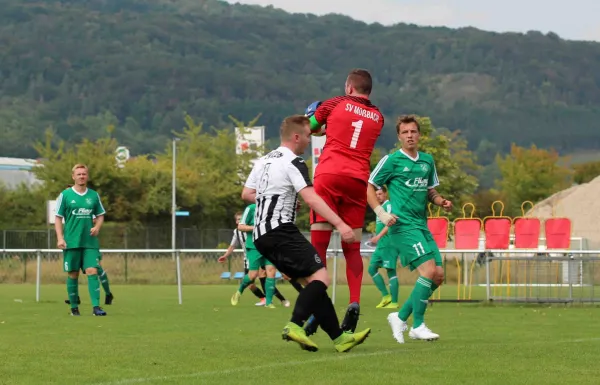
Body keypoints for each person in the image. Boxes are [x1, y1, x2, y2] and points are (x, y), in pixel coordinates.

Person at [241, 114, 371, 352]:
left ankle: (340, 338)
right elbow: (311, 197)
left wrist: (277, 197)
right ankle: (295, 325)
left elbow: (247, 193)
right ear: (297, 136)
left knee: (312, 284)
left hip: (261, 235)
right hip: (281, 230)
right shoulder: (294, 162)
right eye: (309, 137)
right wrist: (341, 225)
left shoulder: (263, 161)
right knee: (322, 278)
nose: (310, 141)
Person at [305, 68, 385, 333]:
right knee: (352, 247)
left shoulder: (335, 102)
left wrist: (316, 123)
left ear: (349, 87)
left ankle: (319, 304)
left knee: (320, 245)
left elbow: (311, 129)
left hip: (329, 174)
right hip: (357, 181)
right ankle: (354, 301)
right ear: (368, 90)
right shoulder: (378, 117)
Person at [367, 115, 452, 343]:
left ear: (419, 134)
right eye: (405, 133)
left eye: (413, 132)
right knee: (428, 271)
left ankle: (401, 316)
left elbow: (430, 191)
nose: (409, 136)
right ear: (399, 137)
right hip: (402, 226)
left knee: (438, 276)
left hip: (421, 225)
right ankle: (419, 325)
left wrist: (441, 201)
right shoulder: (392, 160)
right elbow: (370, 186)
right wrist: (382, 214)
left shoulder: (427, 161)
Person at [55, 164, 107, 316]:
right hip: (71, 241)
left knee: (92, 270)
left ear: (87, 176)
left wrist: (97, 227)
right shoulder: (65, 195)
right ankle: (74, 308)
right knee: (73, 274)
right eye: (79, 174)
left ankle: (96, 307)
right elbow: (58, 218)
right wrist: (60, 238)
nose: (82, 176)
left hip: (90, 242)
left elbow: (100, 215)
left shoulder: (93, 195)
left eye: (84, 174)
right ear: (73, 177)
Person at [229, 203, 291, 308]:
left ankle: (269, 303)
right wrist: (257, 228)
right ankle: (239, 291)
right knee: (252, 275)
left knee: (271, 273)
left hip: (269, 246)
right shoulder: (251, 208)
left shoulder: (273, 208)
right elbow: (241, 226)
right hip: (254, 246)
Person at [65, 213, 114, 306]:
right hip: (77, 242)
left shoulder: (90, 206)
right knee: (74, 270)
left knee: (97, 269)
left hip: (89, 243)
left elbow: (97, 219)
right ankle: (75, 297)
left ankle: (108, 294)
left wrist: (86, 222)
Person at [367, 186, 399, 309]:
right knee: (372, 269)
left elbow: (391, 222)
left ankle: (394, 302)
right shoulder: (378, 209)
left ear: (385, 194)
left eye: (380, 194)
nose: (378, 196)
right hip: (381, 245)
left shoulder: (389, 205)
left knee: (391, 271)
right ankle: (386, 296)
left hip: (389, 244)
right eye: (376, 194)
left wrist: (378, 236)